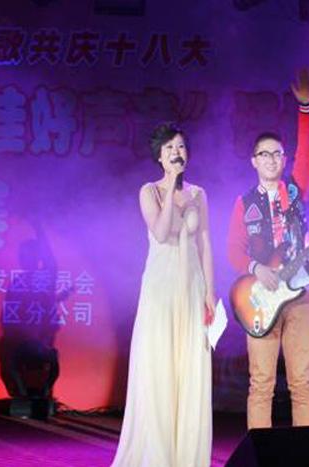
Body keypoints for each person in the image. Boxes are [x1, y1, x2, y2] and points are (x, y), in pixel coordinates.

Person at [112, 122, 216, 467]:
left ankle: (187, 456)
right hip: (160, 288)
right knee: (160, 365)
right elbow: (159, 232)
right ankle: (157, 455)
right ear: (159, 156)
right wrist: (171, 186)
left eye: (181, 146)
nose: (176, 152)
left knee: (190, 367)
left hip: (192, 287)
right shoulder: (149, 191)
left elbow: (205, 243)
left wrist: (210, 291)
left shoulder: (199, 194)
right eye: (170, 148)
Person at [227, 68, 309, 429]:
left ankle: (306, 454)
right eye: (263, 154)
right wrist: (255, 268)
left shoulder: (295, 190)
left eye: (277, 154)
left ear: (284, 159)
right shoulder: (244, 202)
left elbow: (308, 152)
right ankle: (260, 452)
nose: (271, 159)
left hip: (300, 296)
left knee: (302, 383)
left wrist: (305, 108)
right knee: (261, 384)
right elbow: (233, 251)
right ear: (254, 161)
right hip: (261, 299)